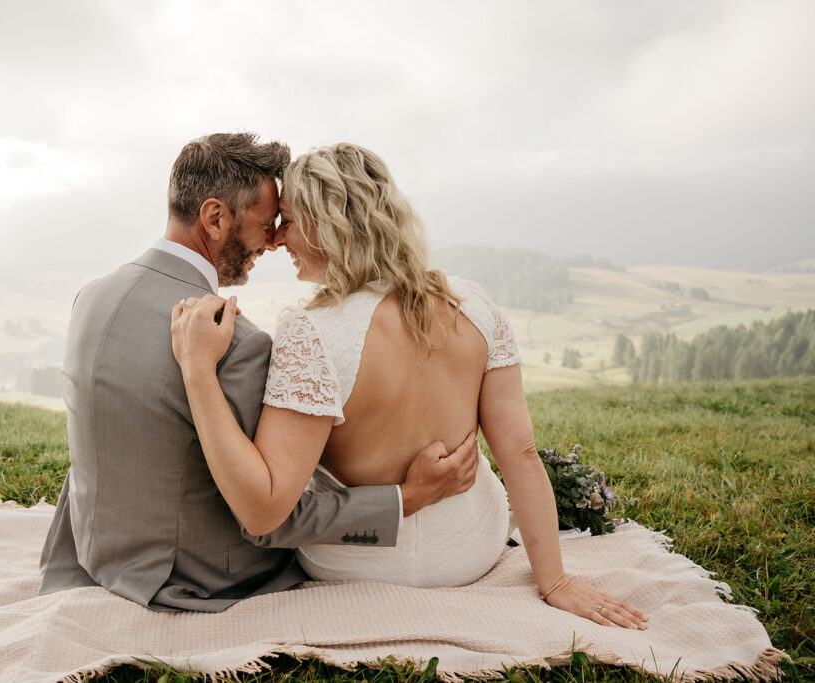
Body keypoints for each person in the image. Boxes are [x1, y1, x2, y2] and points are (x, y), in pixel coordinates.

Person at [171, 143, 648, 628]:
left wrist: (198, 369)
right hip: (471, 551)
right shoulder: (473, 305)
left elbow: (264, 510)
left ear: (325, 224)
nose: (277, 240)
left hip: (352, 564)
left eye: (289, 221)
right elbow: (520, 453)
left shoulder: (313, 333)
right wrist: (556, 582)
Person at [37, 133, 480, 612]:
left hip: (92, 553)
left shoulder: (92, 296)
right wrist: (406, 497)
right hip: (196, 577)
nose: (273, 241)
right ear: (214, 217)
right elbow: (272, 514)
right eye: (266, 224)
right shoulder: (240, 344)